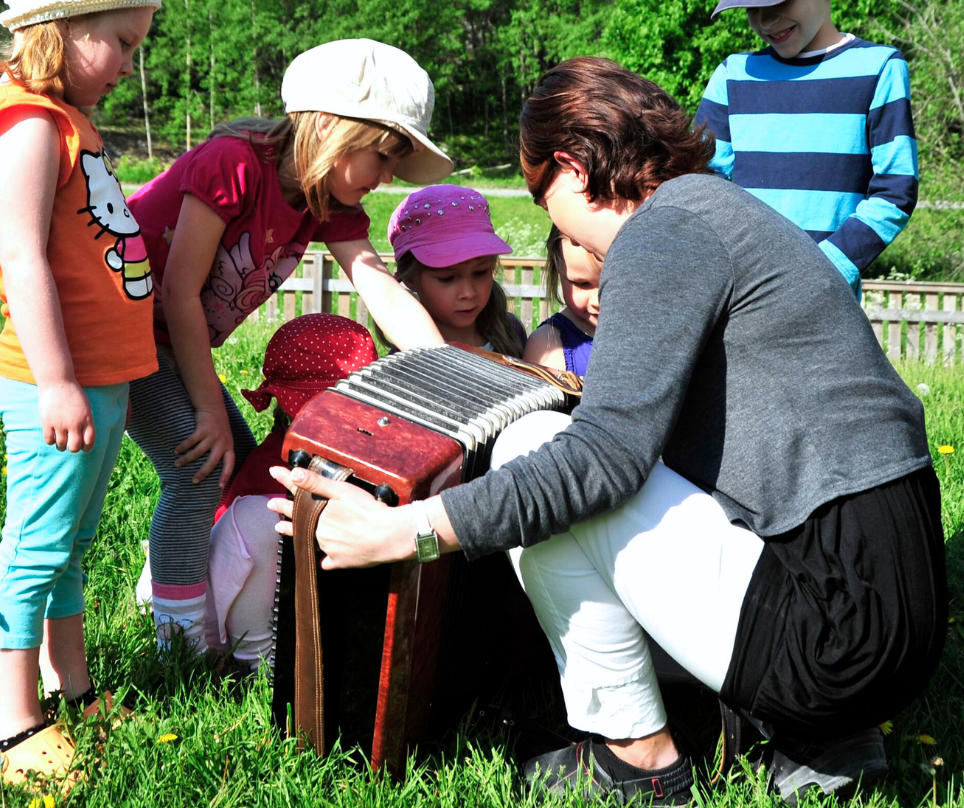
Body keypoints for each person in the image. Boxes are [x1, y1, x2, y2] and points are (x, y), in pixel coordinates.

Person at [270, 57, 947, 807]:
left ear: (570, 165)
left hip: (835, 635)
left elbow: (604, 458)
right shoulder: (727, 213)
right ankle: (810, 733)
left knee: (536, 450)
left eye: (539, 194)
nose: (552, 224)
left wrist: (408, 531)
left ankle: (640, 760)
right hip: (883, 611)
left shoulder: (666, 232)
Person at [125, 38, 451, 653]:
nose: (386, 179)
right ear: (330, 127)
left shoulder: (324, 199)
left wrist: (446, 369)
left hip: (169, 341)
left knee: (240, 467)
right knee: (198, 470)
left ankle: (190, 590)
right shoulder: (235, 163)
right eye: (383, 156)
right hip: (122, 334)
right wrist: (203, 409)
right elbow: (178, 291)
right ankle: (183, 644)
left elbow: (377, 284)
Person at [0, 0, 165, 789]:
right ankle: (15, 728)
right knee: (36, 547)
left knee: (73, 542)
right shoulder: (26, 126)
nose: (129, 63)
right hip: (59, 382)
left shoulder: (67, 121)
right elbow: (24, 259)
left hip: (100, 379)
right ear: (63, 24)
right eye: (120, 42)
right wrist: (55, 381)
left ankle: (72, 689)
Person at [694, 0, 919, 297]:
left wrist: (820, 269)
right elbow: (700, 184)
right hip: (741, 300)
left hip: (826, 306)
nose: (765, 20)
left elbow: (895, 190)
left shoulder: (879, 69)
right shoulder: (732, 77)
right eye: (752, 6)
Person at [204, 314, 379, 667]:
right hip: (224, 610)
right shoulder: (274, 473)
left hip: (282, 602)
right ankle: (256, 662)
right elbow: (233, 558)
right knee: (264, 520)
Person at [386, 184, 526, 356]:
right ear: (411, 279)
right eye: (447, 278)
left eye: (480, 272)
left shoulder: (511, 334)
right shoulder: (405, 357)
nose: (468, 293)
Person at [523, 225, 599, 374]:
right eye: (582, 284)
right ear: (559, 270)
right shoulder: (548, 345)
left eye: (612, 282)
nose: (597, 301)